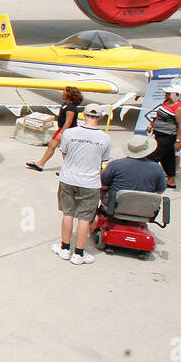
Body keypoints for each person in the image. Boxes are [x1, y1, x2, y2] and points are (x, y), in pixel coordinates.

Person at [52, 104, 111, 266]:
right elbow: (102, 161)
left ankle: (64, 248)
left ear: (84, 115)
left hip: (68, 178)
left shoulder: (70, 133)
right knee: (85, 218)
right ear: (100, 117)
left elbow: (64, 153)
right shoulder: (105, 138)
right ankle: (79, 253)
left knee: (67, 213)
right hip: (90, 182)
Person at [100, 135, 167, 212]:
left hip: (114, 205)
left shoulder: (115, 165)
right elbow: (160, 191)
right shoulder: (157, 168)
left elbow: (103, 186)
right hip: (143, 207)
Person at [27, 86, 84, 171]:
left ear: (68, 95)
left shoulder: (71, 108)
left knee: (63, 150)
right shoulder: (66, 105)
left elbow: (68, 122)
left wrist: (61, 133)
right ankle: (41, 164)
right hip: (63, 130)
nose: (62, 93)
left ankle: (70, 169)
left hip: (67, 131)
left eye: (64, 92)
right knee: (53, 146)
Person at [145, 83, 181, 188]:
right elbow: (158, 116)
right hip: (159, 134)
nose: (165, 94)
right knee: (167, 158)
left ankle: (144, 178)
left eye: (168, 93)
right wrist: (152, 125)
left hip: (168, 136)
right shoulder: (166, 103)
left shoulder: (180, 108)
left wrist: (178, 141)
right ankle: (171, 180)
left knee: (151, 157)